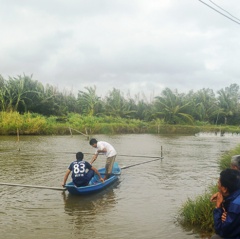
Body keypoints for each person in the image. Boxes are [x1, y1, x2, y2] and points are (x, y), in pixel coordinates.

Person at [210, 168, 240, 239]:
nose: (218, 185)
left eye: (219, 183)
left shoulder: (235, 206)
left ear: (225, 189)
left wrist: (218, 207)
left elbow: (221, 231)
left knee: (215, 237)